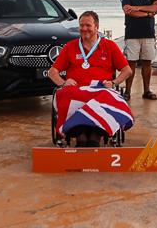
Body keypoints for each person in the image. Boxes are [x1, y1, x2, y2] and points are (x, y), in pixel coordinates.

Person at [48, 11, 133, 147]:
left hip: (101, 89)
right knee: (64, 94)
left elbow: (127, 70)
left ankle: (96, 135)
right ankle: (79, 134)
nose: (84, 29)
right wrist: (63, 83)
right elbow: (52, 72)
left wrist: (114, 82)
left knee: (109, 96)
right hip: (76, 89)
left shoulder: (109, 46)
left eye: (88, 25)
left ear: (96, 27)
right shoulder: (70, 46)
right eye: (81, 25)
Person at [121, 0, 157, 101]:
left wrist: (137, 8)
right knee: (130, 64)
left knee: (147, 63)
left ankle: (146, 91)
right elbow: (129, 12)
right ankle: (127, 92)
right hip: (132, 35)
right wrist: (148, 13)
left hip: (148, 34)